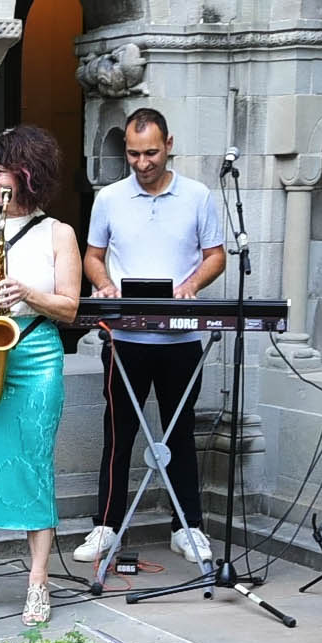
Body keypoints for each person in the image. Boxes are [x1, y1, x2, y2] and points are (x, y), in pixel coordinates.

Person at [73, 106, 227, 573]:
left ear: (170, 144)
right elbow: (93, 255)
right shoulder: (110, 198)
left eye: (152, 153)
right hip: (124, 335)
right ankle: (106, 526)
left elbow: (216, 255)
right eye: (135, 154)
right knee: (118, 432)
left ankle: (188, 527)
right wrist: (104, 285)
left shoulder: (198, 196)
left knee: (179, 430)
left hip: (180, 337)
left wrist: (191, 286)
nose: (143, 163)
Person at [0, 125, 85, 627]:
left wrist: (27, 293)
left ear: (26, 174)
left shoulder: (60, 234)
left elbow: (71, 307)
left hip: (38, 355)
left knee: (34, 464)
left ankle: (38, 581)